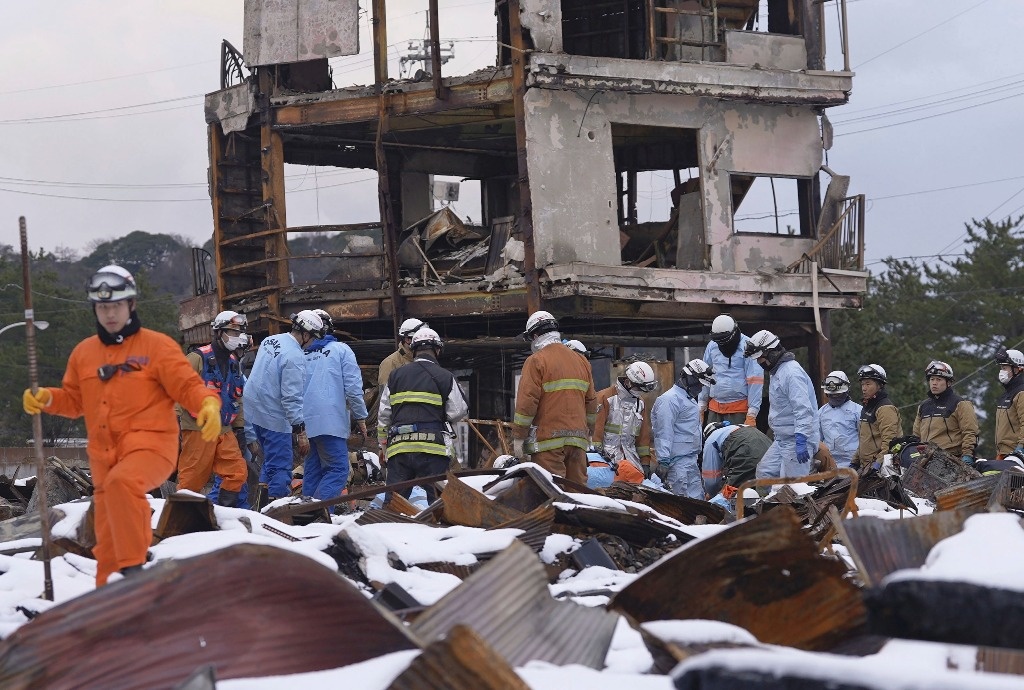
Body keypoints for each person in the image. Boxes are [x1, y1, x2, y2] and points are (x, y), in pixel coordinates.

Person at [22, 265, 221, 586]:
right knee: (107, 529)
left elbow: (187, 386)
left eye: (116, 305)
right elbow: (75, 401)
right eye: (103, 307)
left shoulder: (156, 347)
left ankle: (133, 571)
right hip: (104, 458)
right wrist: (46, 398)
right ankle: (109, 594)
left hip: (152, 447)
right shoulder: (84, 353)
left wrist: (208, 404)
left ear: (131, 305)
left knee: (122, 485)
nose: (109, 313)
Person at [377, 327, 468, 503]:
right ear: (438, 350)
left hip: (399, 449)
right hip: (433, 451)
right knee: (440, 504)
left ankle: (387, 527)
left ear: (413, 350)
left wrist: (383, 445)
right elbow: (458, 410)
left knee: (393, 504)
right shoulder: (445, 377)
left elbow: (384, 414)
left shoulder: (395, 376)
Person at [243, 310, 322, 507]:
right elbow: (291, 397)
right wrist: (300, 429)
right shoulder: (295, 356)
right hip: (273, 419)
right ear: (306, 335)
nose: (312, 343)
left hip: (254, 413)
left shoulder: (272, 340)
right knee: (280, 467)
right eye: (312, 338)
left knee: (269, 461)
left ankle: (261, 505)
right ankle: (278, 513)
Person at [513, 311, 598, 487]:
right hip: (578, 441)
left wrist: (519, 436)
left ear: (535, 336)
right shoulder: (581, 361)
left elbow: (527, 402)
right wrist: (589, 431)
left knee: (551, 493)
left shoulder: (536, 361)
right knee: (578, 494)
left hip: (547, 442)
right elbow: (591, 401)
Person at [175, 311, 249, 507]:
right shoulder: (197, 358)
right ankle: (179, 520)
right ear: (218, 333)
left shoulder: (234, 364)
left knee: (237, 473)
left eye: (238, 333)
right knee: (191, 481)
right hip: (198, 428)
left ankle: (222, 514)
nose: (236, 337)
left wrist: (240, 428)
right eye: (231, 332)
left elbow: (237, 396)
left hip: (224, 429)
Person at [302, 308, 368, 505]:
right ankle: (320, 514)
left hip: (304, 423)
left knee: (313, 471)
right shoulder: (341, 350)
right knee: (339, 469)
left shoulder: (299, 354)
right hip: (331, 423)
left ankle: (304, 515)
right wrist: (361, 417)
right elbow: (354, 389)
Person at [743, 330, 820, 479]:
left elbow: (803, 409)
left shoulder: (791, 373)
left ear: (772, 353)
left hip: (796, 439)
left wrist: (801, 438)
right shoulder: (777, 372)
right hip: (782, 439)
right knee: (765, 473)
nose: (759, 363)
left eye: (761, 358)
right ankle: (772, 502)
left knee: (793, 488)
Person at [651, 359, 716, 498]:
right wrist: (663, 460)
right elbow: (663, 432)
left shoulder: (689, 400)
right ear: (688, 378)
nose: (700, 388)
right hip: (676, 464)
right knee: (679, 503)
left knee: (698, 502)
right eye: (698, 383)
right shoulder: (669, 400)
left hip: (690, 461)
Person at [591, 361, 656, 485]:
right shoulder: (605, 398)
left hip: (631, 461)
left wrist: (645, 463)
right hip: (607, 462)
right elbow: (595, 435)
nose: (640, 392)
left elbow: (643, 439)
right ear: (628, 382)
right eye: (638, 388)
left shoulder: (640, 403)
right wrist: (599, 459)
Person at [699, 315, 764, 427]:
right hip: (715, 409)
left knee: (736, 443)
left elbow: (755, 380)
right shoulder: (712, 346)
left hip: (739, 410)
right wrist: (701, 403)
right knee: (712, 443)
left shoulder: (748, 346)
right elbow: (705, 374)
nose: (721, 344)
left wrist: (752, 413)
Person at [912, 360, 979, 465]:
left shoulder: (961, 404)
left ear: (949, 382)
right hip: (926, 460)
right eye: (932, 379)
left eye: (938, 379)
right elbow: (916, 436)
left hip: (952, 460)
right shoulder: (923, 406)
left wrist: (967, 455)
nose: (934, 383)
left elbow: (970, 432)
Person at [702, 421, 772, 511]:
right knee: (763, 489)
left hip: (746, 452)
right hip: (768, 447)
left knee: (730, 493)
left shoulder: (711, 439)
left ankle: (713, 513)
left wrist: (711, 494)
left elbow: (711, 479)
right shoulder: (739, 427)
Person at [851, 363, 902, 469]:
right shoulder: (866, 407)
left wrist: (878, 463)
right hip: (865, 467)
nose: (864, 388)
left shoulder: (885, 408)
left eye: (868, 384)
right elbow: (865, 440)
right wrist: (855, 461)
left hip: (880, 468)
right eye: (862, 384)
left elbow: (890, 441)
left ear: (880, 385)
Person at [817, 371, 862, 469]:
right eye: (832, 394)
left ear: (846, 391)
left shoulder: (858, 411)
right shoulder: (821, 412)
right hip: (829, 465)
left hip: (853, 465)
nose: (834, 396)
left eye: (837, 394)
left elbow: (865, 439)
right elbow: (817, 440)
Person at [378, 317, 427, 388]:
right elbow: (384, 396)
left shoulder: (425, 360)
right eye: (420, 339)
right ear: (407, 339)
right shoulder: (390, 363)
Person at [994, 347, 1024, 459]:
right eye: (1001, 367)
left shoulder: (1021, 393)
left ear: (1017, 369)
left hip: (1017, 455)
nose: (1001, 371)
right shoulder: (1005, 394)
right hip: (1003, 454)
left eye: (1005, 367)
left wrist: (1021, 447)